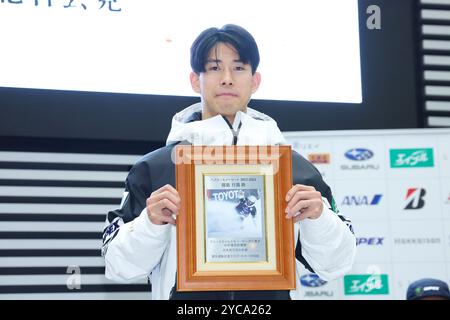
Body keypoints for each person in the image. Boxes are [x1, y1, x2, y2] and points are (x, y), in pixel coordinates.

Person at [101, 24, 356, 300]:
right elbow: (119, 266)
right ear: (194, 80)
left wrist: (319, 219)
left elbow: (335, 265)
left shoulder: (294, 170)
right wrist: (150, 223)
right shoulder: (156, 168)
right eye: (213, 68)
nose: (226, 79)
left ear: (255, 80)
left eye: (238, 67)